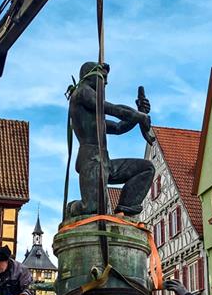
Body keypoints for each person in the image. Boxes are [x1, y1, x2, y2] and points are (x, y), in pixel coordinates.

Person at [65, 61, 155, 217]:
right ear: (90, 75)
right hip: (91, 160)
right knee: (92, 208)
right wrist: (139, 115)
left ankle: (124, 211)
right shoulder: (82, 92)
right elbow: (113, 109)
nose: (106, 82)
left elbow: (119, 127)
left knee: (146, 168)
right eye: (103, 77)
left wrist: (139, 114)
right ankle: (71, 208)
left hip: (104, 160)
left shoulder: (94, 117)